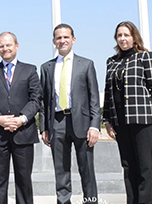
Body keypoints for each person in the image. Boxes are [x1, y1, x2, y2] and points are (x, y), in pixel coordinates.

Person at [103, 21, 152, 204]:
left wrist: (143, 105)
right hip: (120, 122)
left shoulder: (145, 56)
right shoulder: (111, 62)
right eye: (119, 35)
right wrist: (107, 120)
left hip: (141, 120)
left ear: (134, 37)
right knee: (128, 166)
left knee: (144, 166)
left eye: (126, 35)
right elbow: (108, 92)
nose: (123, 39)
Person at [39, 24, 100, 204]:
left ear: (73, 39)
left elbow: (94, 98)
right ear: (54, 42)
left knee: (87, 170)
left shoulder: (86, 65)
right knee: (61, 170)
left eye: (66, 37)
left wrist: (95, 125)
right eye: (58, 38)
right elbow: (43, 101)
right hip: (57, 122)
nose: (62, 41)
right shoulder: (46, 68)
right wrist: (44, 127)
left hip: (82, 122)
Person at [0, 32, 41, 204]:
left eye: (8, 45)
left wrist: (21, 119)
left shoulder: (30, 70)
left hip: (24, 134)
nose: (5, 48)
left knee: (24, 181)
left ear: (17, 46)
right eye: (1, 46)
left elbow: (36, 98)